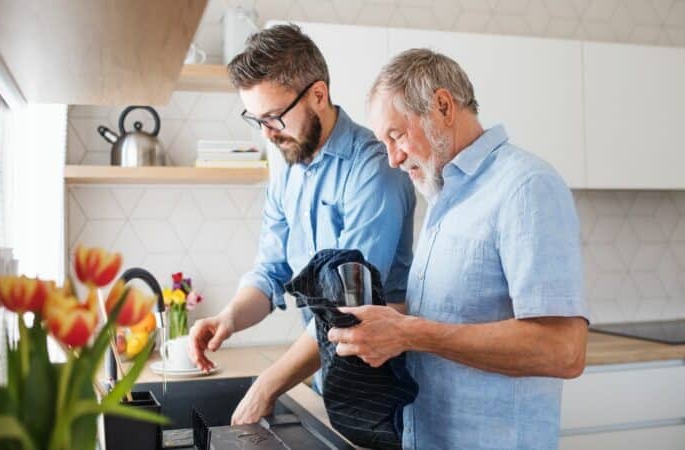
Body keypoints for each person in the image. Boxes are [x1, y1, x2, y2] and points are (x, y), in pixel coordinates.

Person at [326, 48, 590, 449]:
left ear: (443, 106)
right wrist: (385, 322)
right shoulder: (444, 197)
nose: (393, 159)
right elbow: (453, 316)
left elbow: (563, 350)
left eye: (396, 135)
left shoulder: (526, 186)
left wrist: (410, 333)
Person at [186, 24, 416, 413]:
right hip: (327, 376)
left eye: (275, 117)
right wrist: (230, 317)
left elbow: (346, 308)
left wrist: (266, 386)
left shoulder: (373, 169)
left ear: (318, 95)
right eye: (257, 119)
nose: (268, 133)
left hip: (381, 388)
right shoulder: (288, 172)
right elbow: (270, 272)